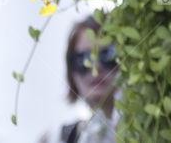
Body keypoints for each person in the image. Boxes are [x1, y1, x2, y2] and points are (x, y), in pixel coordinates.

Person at [39, 15, 119, 143]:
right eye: (82, 59)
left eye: (107, 56)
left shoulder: (151, 130)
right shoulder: (58, 138)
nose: (95, 68)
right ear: (71, 72)